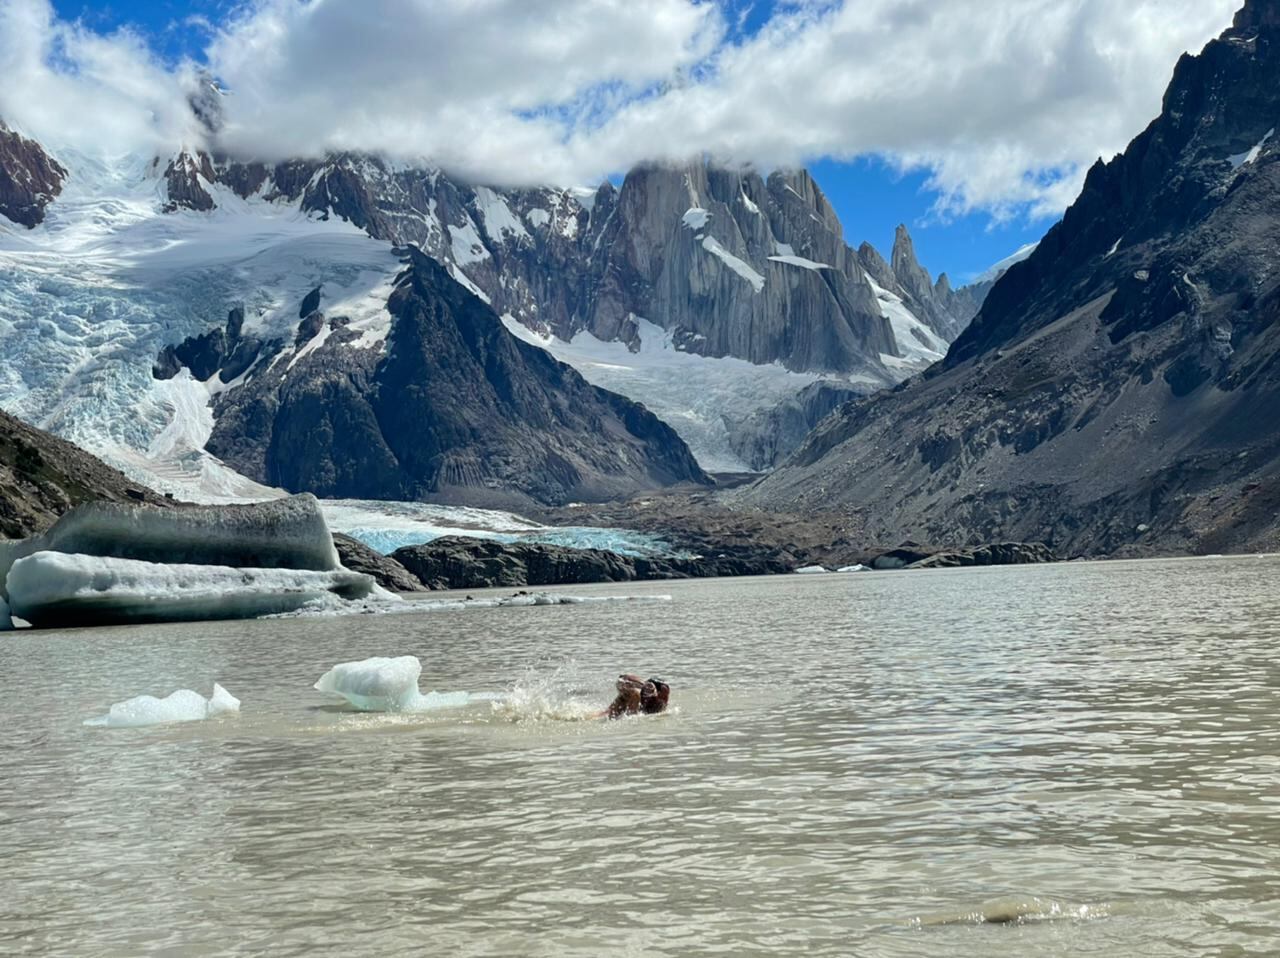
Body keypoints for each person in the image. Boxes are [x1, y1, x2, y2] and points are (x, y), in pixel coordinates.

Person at [602, 674, 670, 718]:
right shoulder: (637, 695)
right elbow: (622, 679)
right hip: (628, 698)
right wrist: (642, 685)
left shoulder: (660, 702)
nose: (665, 698)